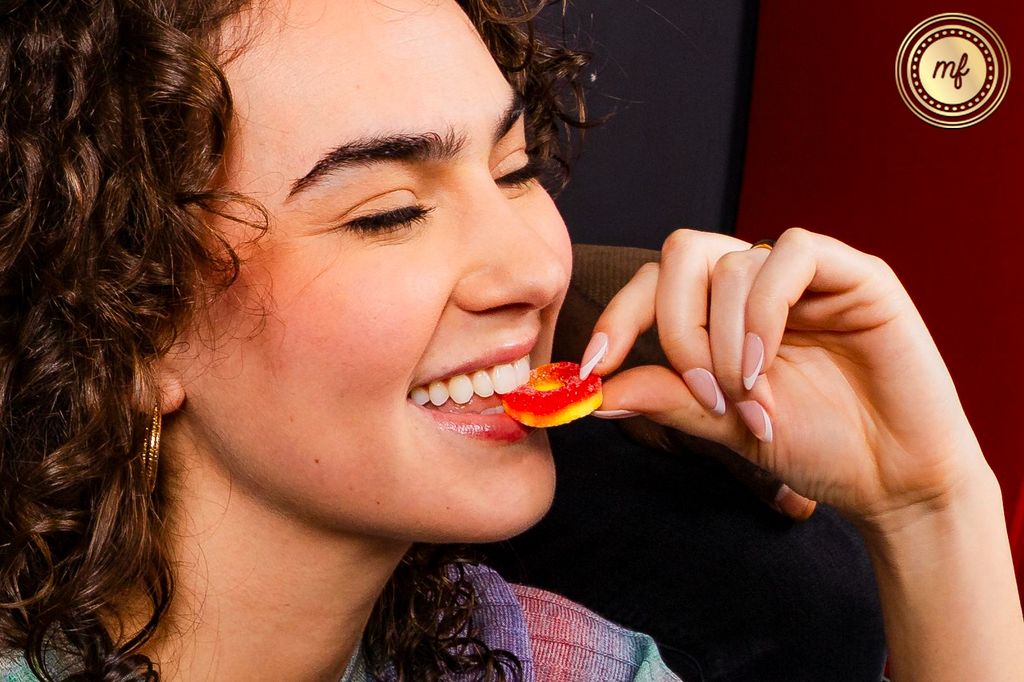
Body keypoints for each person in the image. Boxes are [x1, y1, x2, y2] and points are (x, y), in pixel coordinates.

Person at [0, 1, 1021, 682]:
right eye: (389, 211)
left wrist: (928, 508)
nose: (538, 271)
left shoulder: (566, 661)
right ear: (127, 320)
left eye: (515, 166)